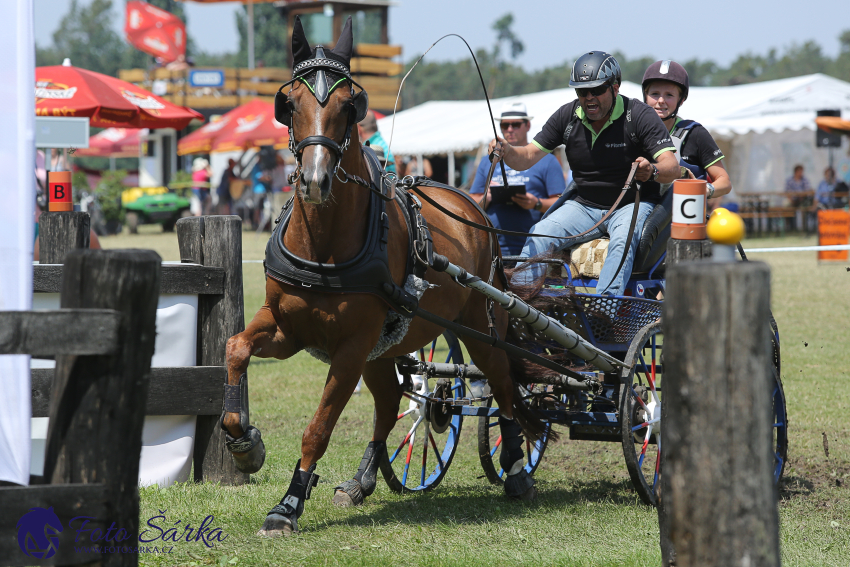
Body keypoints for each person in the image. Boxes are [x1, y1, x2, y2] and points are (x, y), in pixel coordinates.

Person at [497, 51, 679, 295]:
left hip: (630, 204)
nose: (589, 97)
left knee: (621, 244)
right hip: (584, 205)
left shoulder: (639, 115)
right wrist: (507, 150)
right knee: (539, 234)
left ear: (615, 88)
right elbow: (527, 157)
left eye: (597, 90)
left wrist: (652, 170)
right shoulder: (567, 115)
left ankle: (604, 311)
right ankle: (520, 307)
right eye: (582, 92)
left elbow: (672, 167)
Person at [470, 102, 566, 256]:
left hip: (534, 247)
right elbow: (470, 203)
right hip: (492, 248)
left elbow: (562, 204)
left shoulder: (547, 160)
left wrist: (536, 203)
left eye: (515, 124)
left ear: (528, 125)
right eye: (505, 125)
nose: (510, 130)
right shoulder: (487, 161)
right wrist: (486, 197)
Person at [641, 60, 731, 203]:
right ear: (645, 96)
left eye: (669, 95)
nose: (661, 100)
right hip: (640, 217)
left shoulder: (696, 134)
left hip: (687, 219)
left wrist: (704, 190)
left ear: (681, 100)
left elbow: (724, 181)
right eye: (655, 93)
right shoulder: (633, 131)